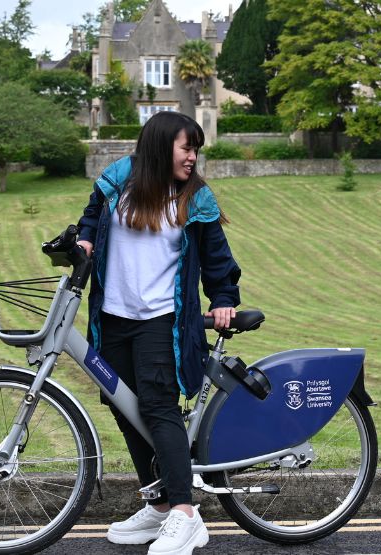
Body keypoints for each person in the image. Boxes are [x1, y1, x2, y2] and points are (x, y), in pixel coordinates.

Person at [75, 111, 241, 555]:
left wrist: (223, 296)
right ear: (160, 145)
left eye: (196, 150)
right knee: (125, 407)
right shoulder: (118, 181)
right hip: (111, 316)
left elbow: (215, 255)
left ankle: (186, 514)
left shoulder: (194, 197)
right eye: (187, 148)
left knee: (157, 406)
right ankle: (163, 502)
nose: (193, 157)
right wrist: (84, 241)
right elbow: (91, 218)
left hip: (160, 320)